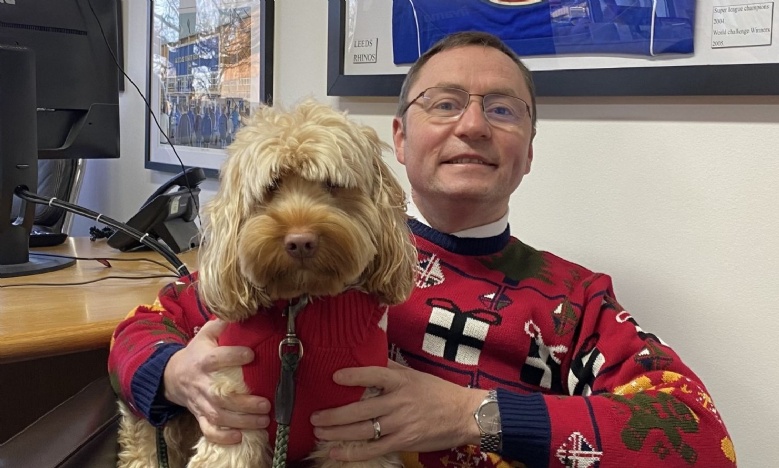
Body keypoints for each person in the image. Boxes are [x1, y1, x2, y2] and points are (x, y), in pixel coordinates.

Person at [108, 31, 736, 467]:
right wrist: (176, 376)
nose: (473, 125)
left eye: (502, 110)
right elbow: (138, 331)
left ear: (528, 152)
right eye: (445, 104)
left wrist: (474, 414)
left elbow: (699, 439)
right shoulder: (308, 264)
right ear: (401, 140)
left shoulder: (573, 299)